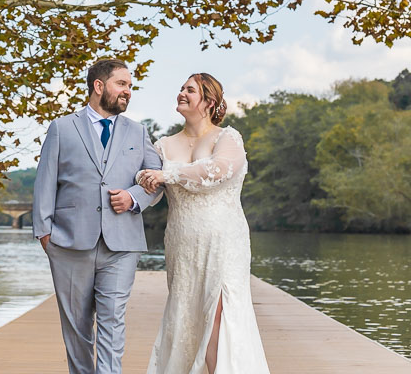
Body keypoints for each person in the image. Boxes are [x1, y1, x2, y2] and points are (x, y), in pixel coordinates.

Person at [33, 59, 164, 374]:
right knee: (77, 328)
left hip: (121, 243)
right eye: (122, 84)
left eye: (130, 86)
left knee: (112, 320)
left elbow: (157, 180)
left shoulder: (138, 130)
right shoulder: (62, 127)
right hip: (68, 242)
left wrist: (134, 196)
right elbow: (45, 181)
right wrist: (44, 234)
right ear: (99, 86)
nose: (127, 92)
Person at [136, 73, 270, 374]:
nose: (181, 93)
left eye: (190, 90)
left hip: (224, 241)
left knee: (219, 312)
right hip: (182, 243)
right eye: (181, 88)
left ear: (209, 102)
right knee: (188, 315)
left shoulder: (227, 138)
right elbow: (150, 186)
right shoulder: (163, 145)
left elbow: (219, 170)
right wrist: (140, 180)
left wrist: (167, 174)